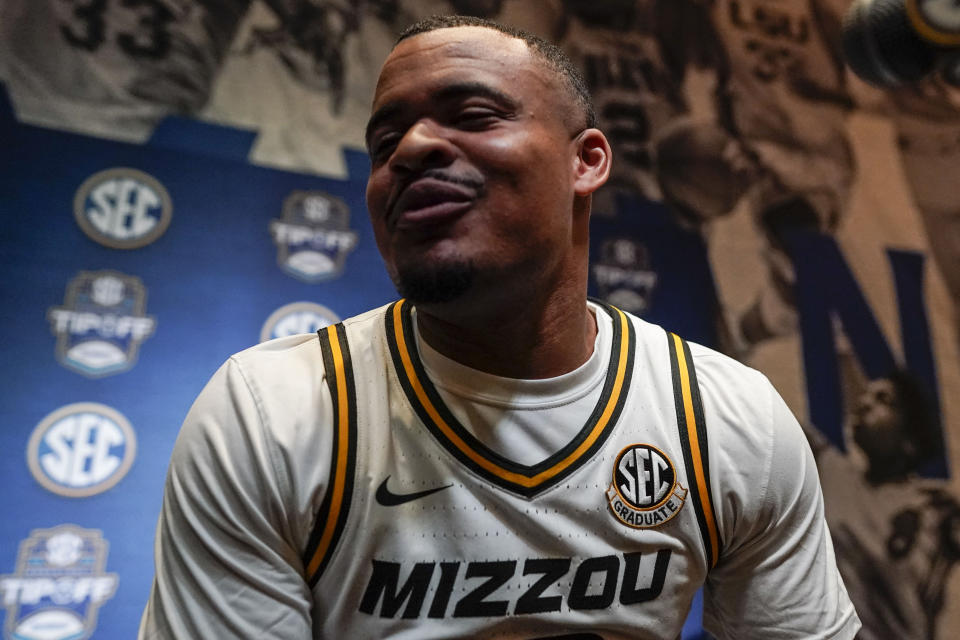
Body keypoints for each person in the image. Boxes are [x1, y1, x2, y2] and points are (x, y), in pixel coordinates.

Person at [139, 14, 860, 639]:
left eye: (475, 115)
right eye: (384, 141)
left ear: (587, 161)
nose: (412, 149)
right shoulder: (272, 413)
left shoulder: (729, 418)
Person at [804, 367, 959, 640]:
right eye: (867, 396)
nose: (864, 404)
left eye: (883, 401)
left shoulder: (935, 508)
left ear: (910, 437)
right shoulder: (832, 473)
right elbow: (768, 409)